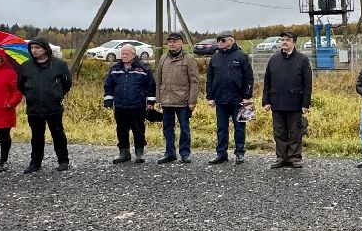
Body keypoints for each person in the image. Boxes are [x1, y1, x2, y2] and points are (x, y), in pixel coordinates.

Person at [17, 36, 73, 173]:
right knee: (36, 136)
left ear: (45, 49)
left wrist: (57, 94)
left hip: (53, 106)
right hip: (34, 107)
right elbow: (21, 85)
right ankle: (35, 163)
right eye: (31, 48)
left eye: (37, 47)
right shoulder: (26, 66)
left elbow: (67, 83)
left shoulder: (59, 64)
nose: (34, 50)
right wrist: (30, 95)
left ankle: (63, 161)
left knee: (58, 134)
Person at [262, 30, 312, 168]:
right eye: (282, 40)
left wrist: (305, 103)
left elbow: (307, 83)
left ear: (294, 42)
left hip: (295, 102)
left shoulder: (302, 60)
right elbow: (267, 81)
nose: (284, 42)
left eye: (287, 40)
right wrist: (266, 101)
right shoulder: (273, 59)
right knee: (279, 132)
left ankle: (294, 157)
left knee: (295, 132)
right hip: (277, 101)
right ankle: (281, 157)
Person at [206, 31, 254, 165]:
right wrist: (210, 97)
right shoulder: (214, 58)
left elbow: (249, 77)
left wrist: (247, 96)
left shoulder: (242, 56)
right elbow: (210, 78)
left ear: (231, 41)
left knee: (240, 127)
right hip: (220, 99)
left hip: (239, 100)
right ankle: (221, 153)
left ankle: (240, 153)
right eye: (218, 40)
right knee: (221, 128)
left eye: (222, 40)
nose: (219, 43)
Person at [103, 44, 156, 163]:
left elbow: (151, 86)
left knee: (138, 130)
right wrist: (108, 101)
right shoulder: (115, 68)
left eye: (126, 54)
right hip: (120, 106)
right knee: (121, 130)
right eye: (122, 53)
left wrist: (151, 102)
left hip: (137, 106)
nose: (124, 56)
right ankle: (124, 153)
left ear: (133, 54)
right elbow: (108, 85)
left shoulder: (143, 68)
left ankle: (139, 153)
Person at [154, 32, 202, 164]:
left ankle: (185, 154)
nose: (172, 44)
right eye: (170, 41)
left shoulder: (189, 59)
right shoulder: (163, 58)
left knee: (184, 128)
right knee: (167, 128)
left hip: (183, 101)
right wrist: (158, 100)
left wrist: (192, 101)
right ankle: (170, 153)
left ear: (181, 42)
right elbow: (158, 80)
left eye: (175, 41)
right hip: (166, 100)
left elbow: (194, 82)